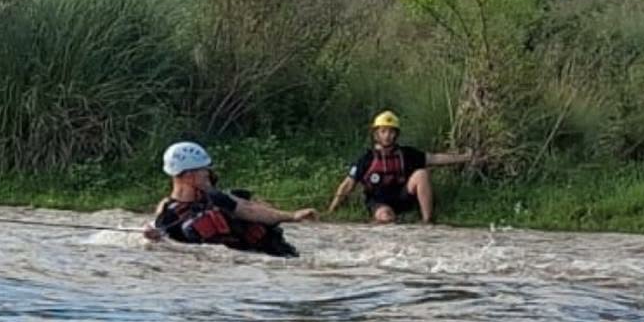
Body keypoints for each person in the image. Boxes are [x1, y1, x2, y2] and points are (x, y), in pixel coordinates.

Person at [143, 141, 317, 257]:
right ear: (188, 175)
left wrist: (292, 216)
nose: (208, 173)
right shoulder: (168, 212)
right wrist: (153, 235)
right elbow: (162, 237)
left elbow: (249, 209)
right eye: (203, 170)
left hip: (276, 255)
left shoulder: (219, 198)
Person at [327, 111, 474, 224]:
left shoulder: (406, 153)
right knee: (385, 216)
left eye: (391, 132)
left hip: (402, 197)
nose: (387, 136)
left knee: (422, 174)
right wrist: (332, 210)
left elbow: (434, 158)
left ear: (396, 134)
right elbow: (347, 185)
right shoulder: (367, 159)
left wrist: (465, 158)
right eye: (383, 131)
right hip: (378, 201)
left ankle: (427, 221)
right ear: (376, 134)